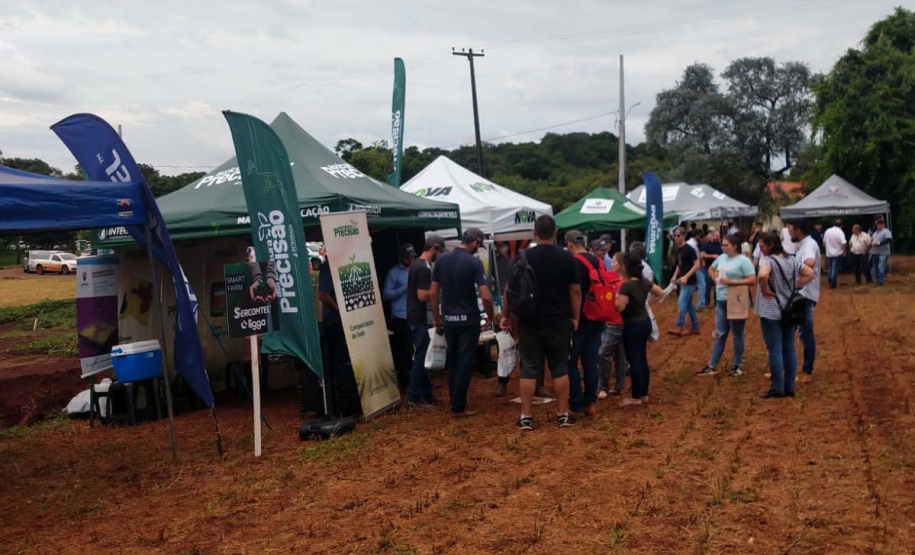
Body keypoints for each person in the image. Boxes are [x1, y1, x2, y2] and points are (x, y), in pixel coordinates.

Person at [502, 215, 581, 430]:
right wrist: (575, 317)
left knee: (528, 369)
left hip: (529, 320)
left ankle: (526, 416)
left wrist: (506, 315)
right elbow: (575, 290)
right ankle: (563, 414)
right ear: (555, 232)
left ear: (534, 233)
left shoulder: (522, 257)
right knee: (560, 369)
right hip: (558, 320)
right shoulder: (567, 258)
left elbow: (509, 290)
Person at [430, 228, 493, 417]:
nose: (478, 249)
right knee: (465, 362)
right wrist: (490, 316)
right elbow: (486, 296)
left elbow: (433, 292)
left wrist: (436, 318)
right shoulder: (474, 262)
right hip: (469, 319)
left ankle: (455, 401)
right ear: (474, 242)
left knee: (453, 360)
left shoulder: (441, 260)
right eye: (479, 245)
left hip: (449, 319)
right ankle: (458, 406)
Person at [756, 232, 814, 398]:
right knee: (789, 348)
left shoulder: (767, 261)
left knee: (775, 349)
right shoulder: (792, 260)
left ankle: (777, 387)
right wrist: (795, 286)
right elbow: (809, 273)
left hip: (770, 310)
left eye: (762, 246)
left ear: (770, 245)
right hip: (788, 309)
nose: (760, 249)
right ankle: (790, 386)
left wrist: (764, 290)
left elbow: (762, 275)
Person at [696, 234, 756, 377]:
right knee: (720, 333)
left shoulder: (743, 261)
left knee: (737, 334)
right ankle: (712, 365)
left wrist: (733, 282)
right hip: (721, 299)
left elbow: (752, 279)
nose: (722, 247)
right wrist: (715, 278)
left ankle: (737, 365)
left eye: (725, 245)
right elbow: (711, 269)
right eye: (722, 245)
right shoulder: (721, 258)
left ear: (734, 246)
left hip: (736, 299)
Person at [616, 253, 665, 406]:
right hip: (644, 321)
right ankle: (643, 394)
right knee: (642, 358)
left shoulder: (626, 286)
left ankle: (635, 397)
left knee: (634, 360)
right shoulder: (644, 282)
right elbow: (660, 292)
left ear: (625, 267)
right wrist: (645, 301)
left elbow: (620, 307)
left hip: (632, 324)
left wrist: (615, 299)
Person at [565, 230, 605, 416]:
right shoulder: (598, 261)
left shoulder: (572, 262)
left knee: (571, 363)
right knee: (590, 362)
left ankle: (576, 404)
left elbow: (573, 291)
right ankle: (590, 403)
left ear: (570, 244)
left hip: (578, 319)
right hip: (597, 315)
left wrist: (573, 317)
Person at [406, 235, 445, 408]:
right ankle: (414, 396)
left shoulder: (417, 264)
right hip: (421, 317)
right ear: (433, 249)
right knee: (422, 357)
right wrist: (435, 290)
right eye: (440, 251)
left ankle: (426, 392)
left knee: (426, 356)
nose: (440, 255)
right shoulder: (424, 268)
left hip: (417, 316)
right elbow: (422, 295)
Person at [383, 243, 416, 390]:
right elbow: (386, 294)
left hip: (415, 314)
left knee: (417, 348)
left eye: (413, 257)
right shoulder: (393, 273)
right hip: (400, 316)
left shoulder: (417, 269)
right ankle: (406, 382)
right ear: (402, 257)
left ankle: (418, 379)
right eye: (408, 257)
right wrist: (404, 288)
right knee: (404, 350)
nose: (411, 260)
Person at [792, 220, 821, 381]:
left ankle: (807, 370)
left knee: (805, 333)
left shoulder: (809, 245)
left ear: (798, 231)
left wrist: (794, 269)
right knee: (793, 330)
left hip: (805, 295)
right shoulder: (803, 244)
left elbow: (810, 262)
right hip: (801, 293)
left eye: (791, 230)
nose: (790, 233)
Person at [597, 252, 627, 398]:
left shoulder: (623, 283)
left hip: (616, 323)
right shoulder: (614, 280)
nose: (612, 264)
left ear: (621, 265)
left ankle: (603, 387)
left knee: (603, 354)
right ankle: (619, 385)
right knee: (619, 355)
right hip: (613, 322)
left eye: (614, 262)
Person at [669, 226, 701, 336]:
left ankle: (679, 326)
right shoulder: (676, 249)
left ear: (683, 236)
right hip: (683, 281)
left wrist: (686, 276)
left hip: (690, 281)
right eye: (674, 236)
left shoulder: (689, 249)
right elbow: (679, 264)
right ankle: (695, 326)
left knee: (682, 302)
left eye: (678, 235)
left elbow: (697, 264)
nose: (676, 238)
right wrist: (674, 276)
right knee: (688, 305)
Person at [697, 229, 722, 311]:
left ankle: (716, 303)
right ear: (712, 236)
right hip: (708, 268)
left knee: (717, 285)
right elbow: (702, 255)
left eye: (718, 236)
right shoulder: (706, 245)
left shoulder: (721, 245)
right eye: (716, 236)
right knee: (707, 285)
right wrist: (713, 256)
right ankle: (706, 302)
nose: (717, 237)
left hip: (718, 269)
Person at [823, 220, 847, 289]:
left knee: (830, 268)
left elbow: (824, 242)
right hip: (837, 253)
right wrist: (844, 250)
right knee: (835, 269)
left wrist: (826, 249)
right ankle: (832, 283)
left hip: (829, 253)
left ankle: (830, 281)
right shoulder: (840, 232)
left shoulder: (827, 231)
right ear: (841, 225)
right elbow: (844, 243)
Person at [868, 218, 892, 286]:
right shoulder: (875, 233)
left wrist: (879, 243)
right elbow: (872, 240)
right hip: (874, 252)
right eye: (878, 224)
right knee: (875, 267)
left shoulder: (886, 232)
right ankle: (878, 279)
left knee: (881, 266)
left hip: (883, 252)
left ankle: (880, 281)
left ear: (883, 225)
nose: (879, 226)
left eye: (881, 224)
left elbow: (888, 240)